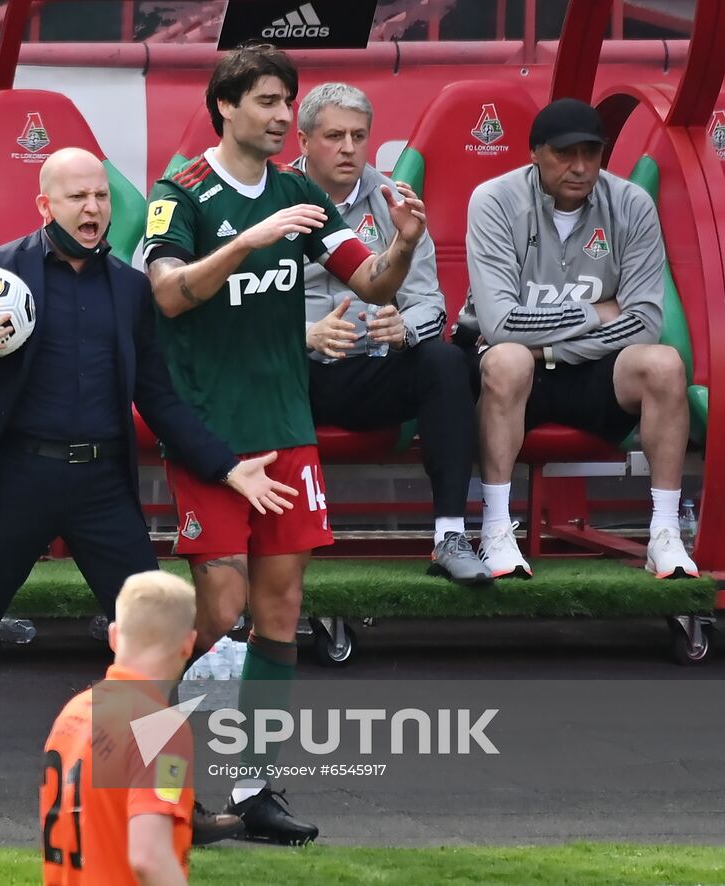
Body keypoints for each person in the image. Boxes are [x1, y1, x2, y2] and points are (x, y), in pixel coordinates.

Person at [0, 147, 294, 848]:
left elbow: (158, 397)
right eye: (76, 197)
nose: (93, 208)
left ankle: (173, 807)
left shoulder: (130, 290)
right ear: (45, 206)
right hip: (15, 481)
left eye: (100, 196)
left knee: (154, 642)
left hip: (101, 485)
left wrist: (229, 468)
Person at [142, 44, 426, 844]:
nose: (280, 116)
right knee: (218, 610)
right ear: (225, 106)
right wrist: (248, 240)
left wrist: (401, 241)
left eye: (285, 101)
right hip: (213, 437)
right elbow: (166, 295)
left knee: (279, 611)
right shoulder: (183, 192)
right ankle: (158, 774)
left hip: (287, 433)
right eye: (268, 101)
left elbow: (371, 283)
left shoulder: (302, 192)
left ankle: (257, 789)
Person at [457, 97, 697, 580]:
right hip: (506, 372)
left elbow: (645, 320)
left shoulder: (631, 203)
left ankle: (665, 533)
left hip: (591, 370)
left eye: (592, 153)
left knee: (664, 364)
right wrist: (594, 312)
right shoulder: (494, 199)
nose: (581, 167)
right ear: (535, 154)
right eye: (565, 154)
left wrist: (548, 344)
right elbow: (499, 322)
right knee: (507, 359)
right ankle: (496, 531)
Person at [293, 82, 491, 586]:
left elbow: (430, 301)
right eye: (334, 136)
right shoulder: (273, 200)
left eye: (359, 136)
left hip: (370, 370)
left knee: (448, 363)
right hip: (292, 374)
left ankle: (450, 534)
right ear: (303, 142)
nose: (349, 148)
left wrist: (404, 329)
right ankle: (251, 541)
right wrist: (304, 334)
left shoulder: (394, 202)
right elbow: (242, 304)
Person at [40, 571, 200, 886]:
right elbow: (148, 856)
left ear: (114, 636)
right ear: (188, 644)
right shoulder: (160, 727)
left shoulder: (74, 713)